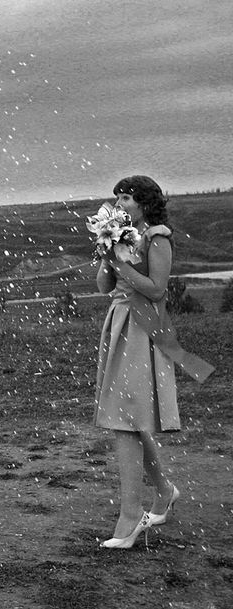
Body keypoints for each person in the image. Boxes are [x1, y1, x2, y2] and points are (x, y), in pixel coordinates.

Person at [94, 176, 214, 548]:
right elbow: (103, 287)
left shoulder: (157, 237)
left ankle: (131, 515)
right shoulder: (123, 236)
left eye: (127, 197)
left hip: (143, 329)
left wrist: (123, 265)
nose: (120, 204)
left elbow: (158, 289)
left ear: (145, 202)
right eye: (117, 197)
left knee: (125, 419)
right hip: (118, 324)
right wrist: (107, 256)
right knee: (126, 418)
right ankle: (163, 490)